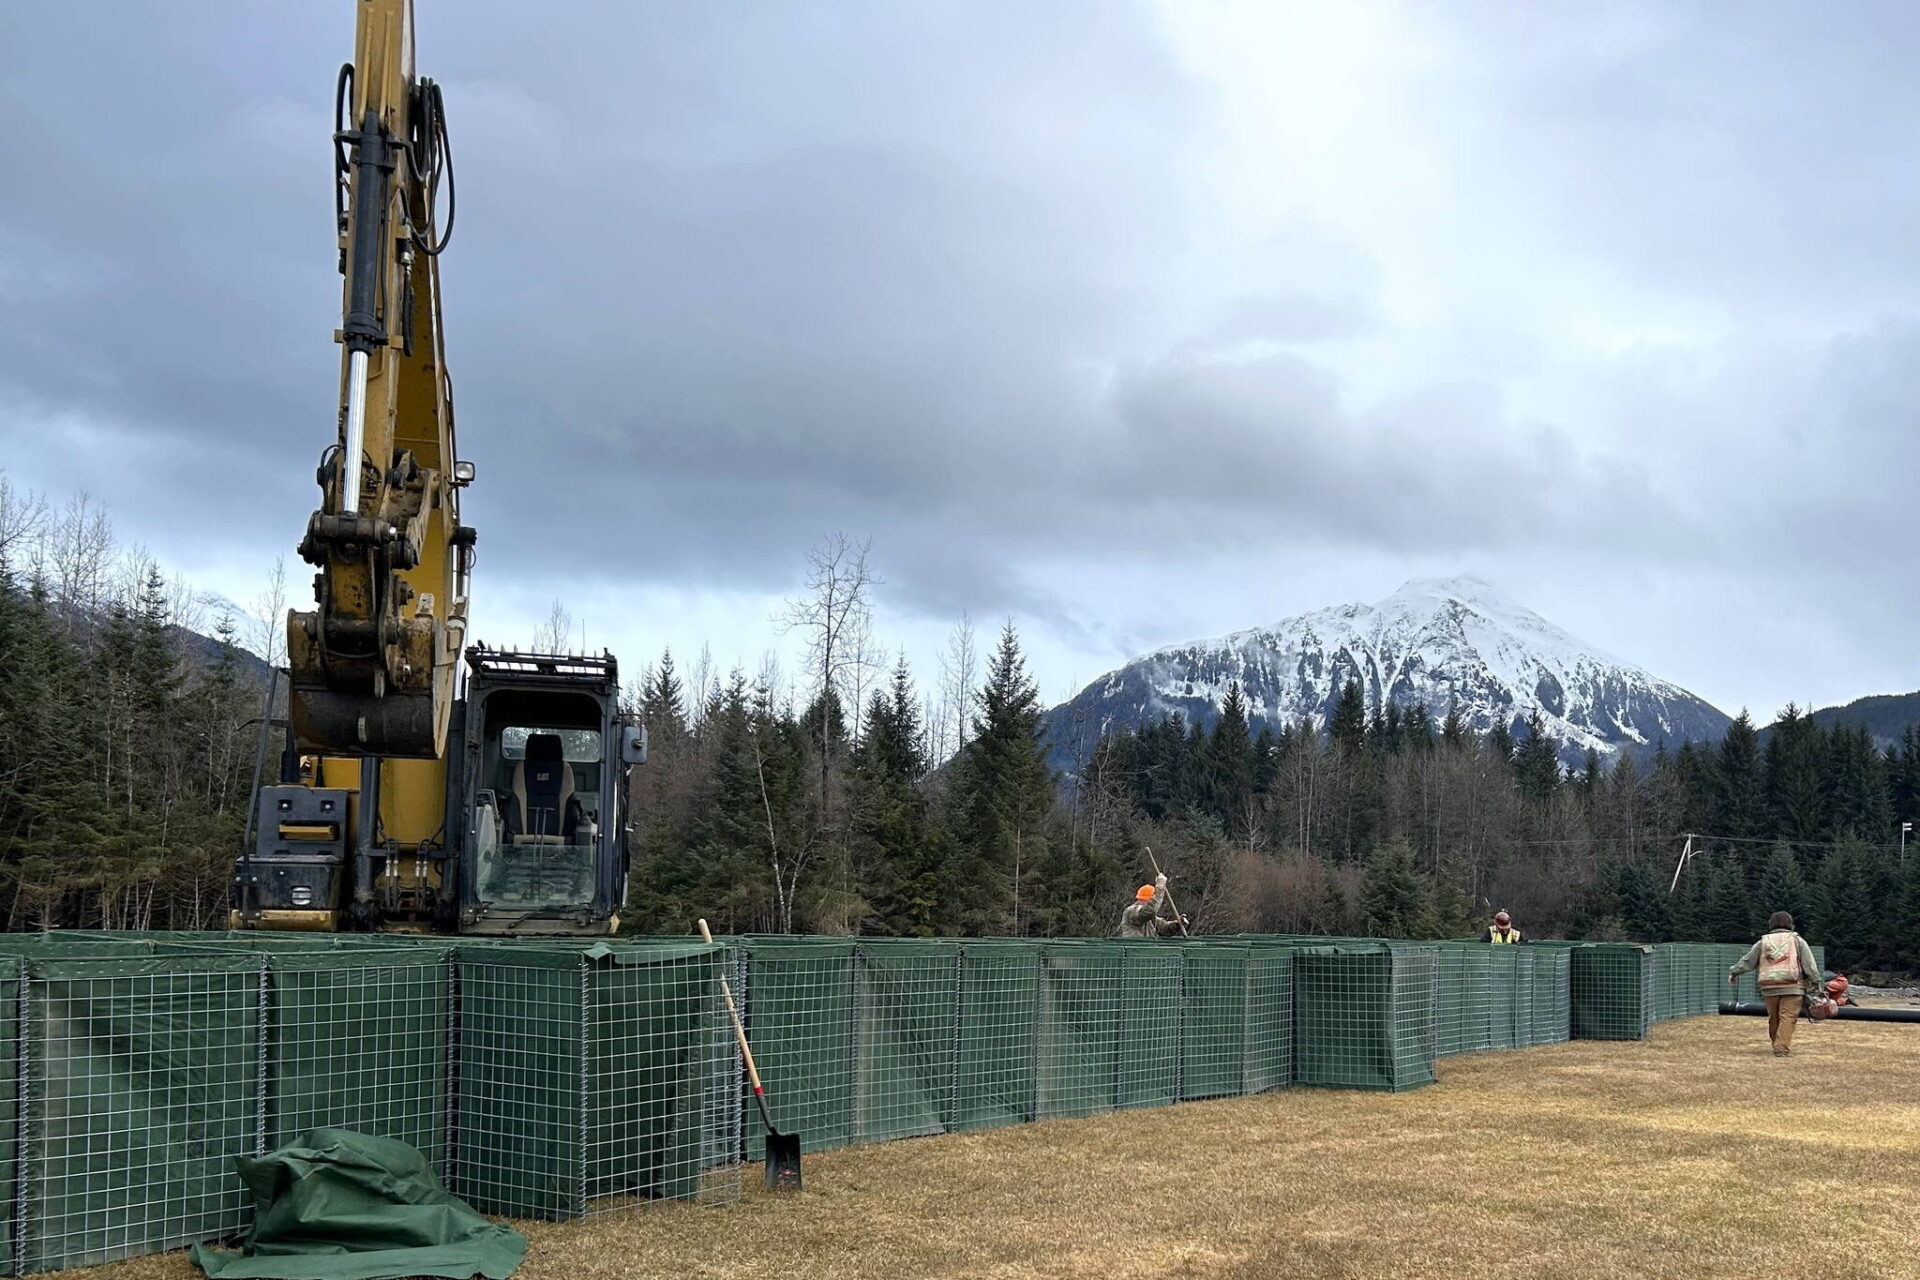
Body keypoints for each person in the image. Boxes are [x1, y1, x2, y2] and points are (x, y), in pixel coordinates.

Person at [1728, 911, 1820, 1056]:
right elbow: (1809, 963)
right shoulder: (1797, 941)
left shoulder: (1763, 942)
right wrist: (1816, 981)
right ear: (1791, 924)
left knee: (1774, 1017)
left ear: (1771, 924)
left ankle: (1776, 1044)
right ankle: (1781, 1048)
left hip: (1769, 986)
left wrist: (1734, 972)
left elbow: (1748, 961)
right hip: (1793, 986)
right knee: (1788, 1017)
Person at [1119, 873, 1185, 938]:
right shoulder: (1131, 911)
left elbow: (1163, 928)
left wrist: (1177, 924)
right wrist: (1160, 887)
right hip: (1135, 948)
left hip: (1148, 948)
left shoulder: (1149, 917)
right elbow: (1150, 911)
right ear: (1150, 900)